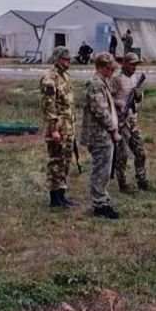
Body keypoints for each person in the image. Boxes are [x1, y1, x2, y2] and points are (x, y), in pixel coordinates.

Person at [79, 53, 122, 219]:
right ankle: (99, 204)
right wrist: (113, 131)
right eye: (110, 68)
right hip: (100, 135)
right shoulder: (95, 85)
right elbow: (100, 111)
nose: (112, 71)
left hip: (103, 134)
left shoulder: (102, 83)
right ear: (103, 67)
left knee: (104, 169)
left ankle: (102, 200)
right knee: (101, 170)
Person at [40, 47, 76, 209]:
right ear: (57, 59)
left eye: (69, 59)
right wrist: (53, 129)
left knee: (65, 161)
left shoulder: (66, 77)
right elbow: (49, 106)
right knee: (56, 162)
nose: (68, 62)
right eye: (64, 59)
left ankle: (62, 194)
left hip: (68, 127)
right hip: (57, 128)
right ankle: (54, 198)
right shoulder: (50, 79)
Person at [110, 53, 149, 193]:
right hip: (121, 122)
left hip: (133, 121)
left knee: (141, 152)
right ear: (124, 63)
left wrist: (139, 95)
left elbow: (137, 99)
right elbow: (107, 98)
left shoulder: (134, 78)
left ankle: (142, 178)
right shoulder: (117, 79)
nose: (134, 67)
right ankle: (122, 182)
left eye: (136, 64)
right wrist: (118, 104)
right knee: (122, 154)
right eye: (132, 64)